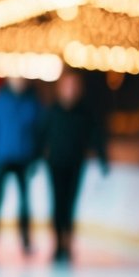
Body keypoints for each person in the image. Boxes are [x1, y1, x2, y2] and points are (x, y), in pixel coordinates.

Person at [0, 76, 45, 257]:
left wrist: (36, 158)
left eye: (21, 80)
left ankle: (26, 241)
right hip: (2, 158)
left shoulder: (32, 104)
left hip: (23, 160)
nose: (19, 83)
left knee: (25, 204)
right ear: (9, 81)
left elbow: (40, 133)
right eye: (15, 80)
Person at [41, 71, 109, 263]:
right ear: (60, 88)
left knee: (70, 206)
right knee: (57, 205)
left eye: (73, 86)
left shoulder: (85, 113)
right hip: (55, 165)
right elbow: (41, 135)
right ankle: (57, 244)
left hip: (76, 165)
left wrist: (103, 158)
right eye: (67, 86)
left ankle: (68, 244)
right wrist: (36, 157)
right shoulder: (52, 111)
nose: (70, 90)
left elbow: (96, 136)